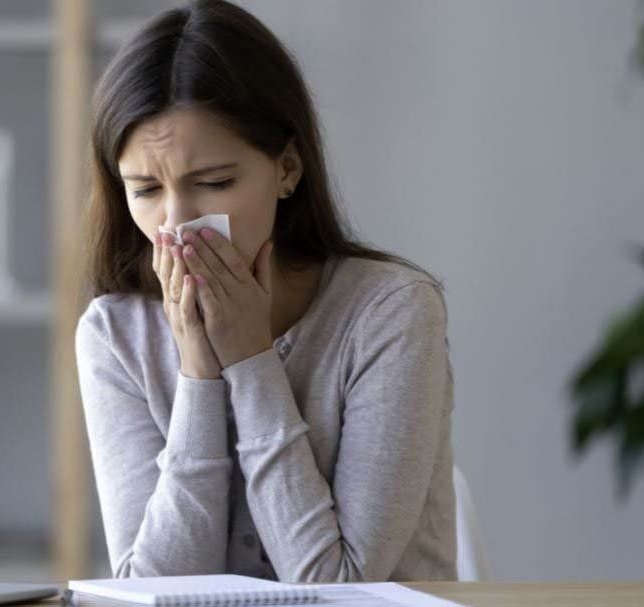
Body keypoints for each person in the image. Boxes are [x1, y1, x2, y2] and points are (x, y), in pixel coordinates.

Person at [75, 0, 457, 583]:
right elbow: (153, 589)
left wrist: (251, 361)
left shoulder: (391, 314)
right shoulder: (115, 334)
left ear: (287, 169)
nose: (176, 223)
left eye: (215, 183)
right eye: (145, 189)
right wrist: (200, 376)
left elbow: (337, 587)